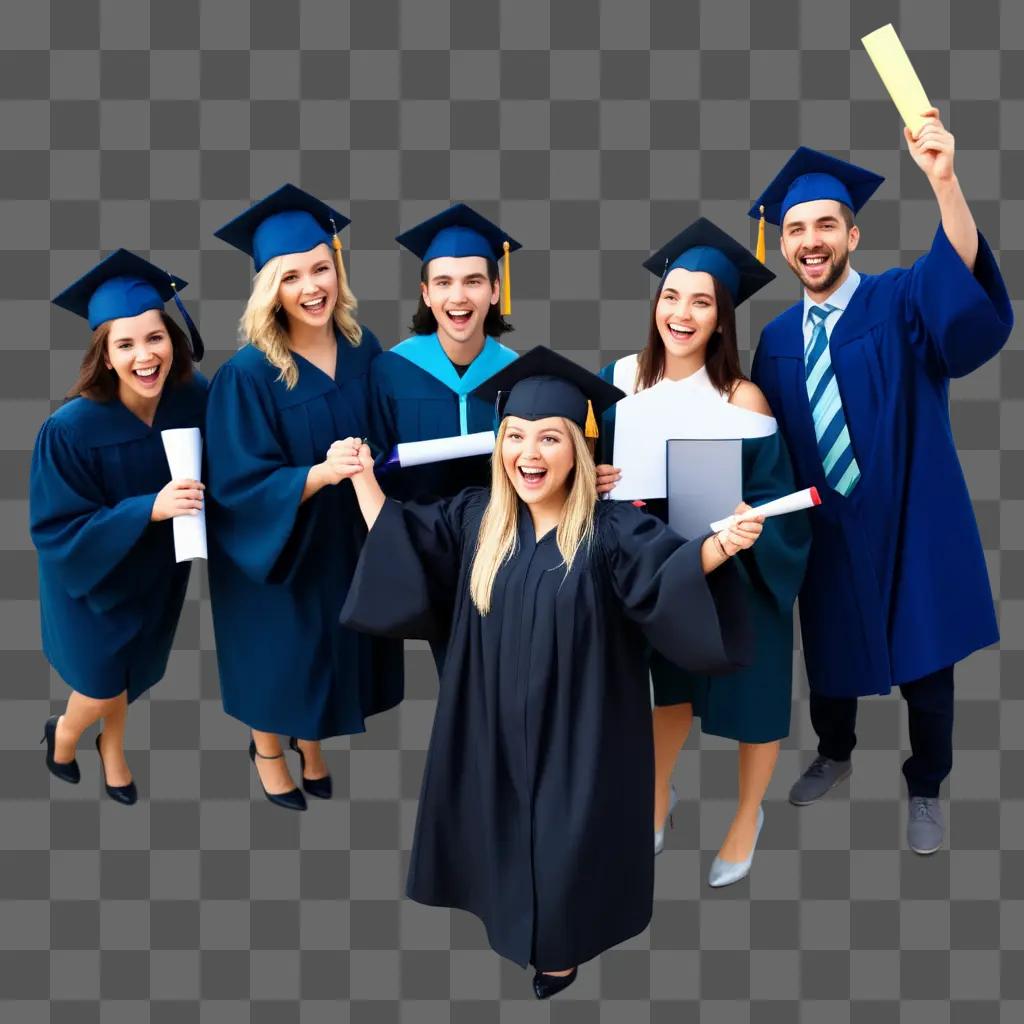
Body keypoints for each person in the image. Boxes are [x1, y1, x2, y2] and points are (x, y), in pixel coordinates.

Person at [338, 346, 764, 998]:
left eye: (548, 438)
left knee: (567, 845)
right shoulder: (478, 518)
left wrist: (719, 545)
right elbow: (402, 546)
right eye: (515, 437)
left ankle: (560, 952)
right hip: (491, 725)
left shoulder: (612, 528)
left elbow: (666, 573)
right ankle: (512, 928)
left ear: (578, 449)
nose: (528, 453)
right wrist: (364, 478)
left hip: (580, 730)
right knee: (500, 834)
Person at [748, 118, 1013, 854]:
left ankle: (926, 784)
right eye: (796, 227)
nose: (811, 240)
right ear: (784, 243)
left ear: (852, 235)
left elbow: (955, 275)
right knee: (830, 654)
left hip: (911, 519)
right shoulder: (774, 341)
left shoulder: (898, 302)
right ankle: (835, 751)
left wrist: (944, 180)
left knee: (928, 670)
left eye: (826, 225)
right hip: (828, 526)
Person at [594, 218, 810, 884]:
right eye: (671, 296)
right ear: (655, 304)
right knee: (663, 689)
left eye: (701, 301)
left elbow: (779, 497)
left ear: (721, 321)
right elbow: (578, 475)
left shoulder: (743, 399)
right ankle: (657, 795)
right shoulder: (618, 380)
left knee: (756, 697)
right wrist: (591, 477)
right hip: (657, 571)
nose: (681, 313)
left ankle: (747, 815)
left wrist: (754, 523)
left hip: (740, 571)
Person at [206, 184, 403, 811]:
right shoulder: (247, 373)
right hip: (279, 546)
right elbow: (236, 483)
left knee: (331, 651)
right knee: (281, 656)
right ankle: (269, 749)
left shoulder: (361, 345)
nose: (311, 286)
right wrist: (316, 475)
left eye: (322, 268)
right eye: (291, 276)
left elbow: (389, 432)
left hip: (346, 540)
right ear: (270, 287)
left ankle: (311, 744)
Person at [30, 249, 208, 805]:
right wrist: (146, 509)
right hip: (91, 583)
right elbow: (55, 527)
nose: (143, 355)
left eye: (154, 338)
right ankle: (63, 734)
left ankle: (112, 749)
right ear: (104, 356)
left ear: (172, 340)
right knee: (101, 679)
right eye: (124, 344)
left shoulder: (194, 398)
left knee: (128, 677)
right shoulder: (69, 429)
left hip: (155, 578)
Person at [368, 203, 520, 501]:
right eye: (443, 282)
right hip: (413, 536)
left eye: (473, 281)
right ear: (426, 294)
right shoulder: (389, 371)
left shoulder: (516, 373)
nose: (458, 296)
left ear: (495, 290)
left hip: (497, 537)